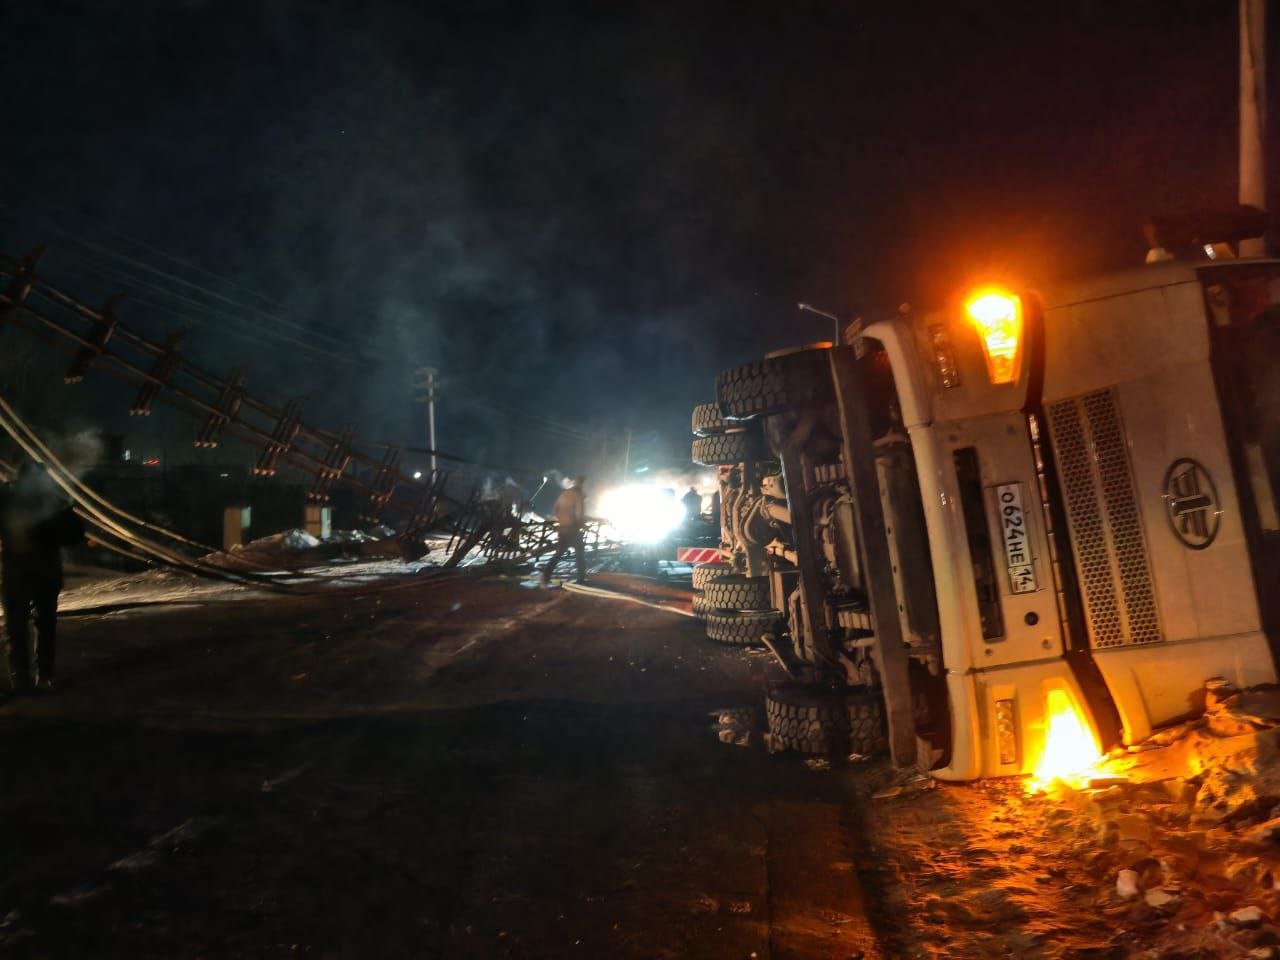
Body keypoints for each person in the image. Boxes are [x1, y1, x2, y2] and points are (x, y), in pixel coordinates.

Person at [0, 461, 84, 696]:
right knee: (40, 626)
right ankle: (39, 677)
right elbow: (75, 533)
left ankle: (28, 679)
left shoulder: (15, 499)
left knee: (22, 628)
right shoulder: (48, 500)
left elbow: (74, 533)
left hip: (25, 572)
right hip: (37, 573)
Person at [541, 475, 586, 585]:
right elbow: (579, 515)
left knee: (558, 554)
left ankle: (545, 576)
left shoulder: (564, 494)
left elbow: (556, 508)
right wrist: (581, 523)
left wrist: (562, 520)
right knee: (580, 554)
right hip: (573, 530)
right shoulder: (578, 495)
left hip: (563, 529)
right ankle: (581, 579)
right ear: (581, 484)